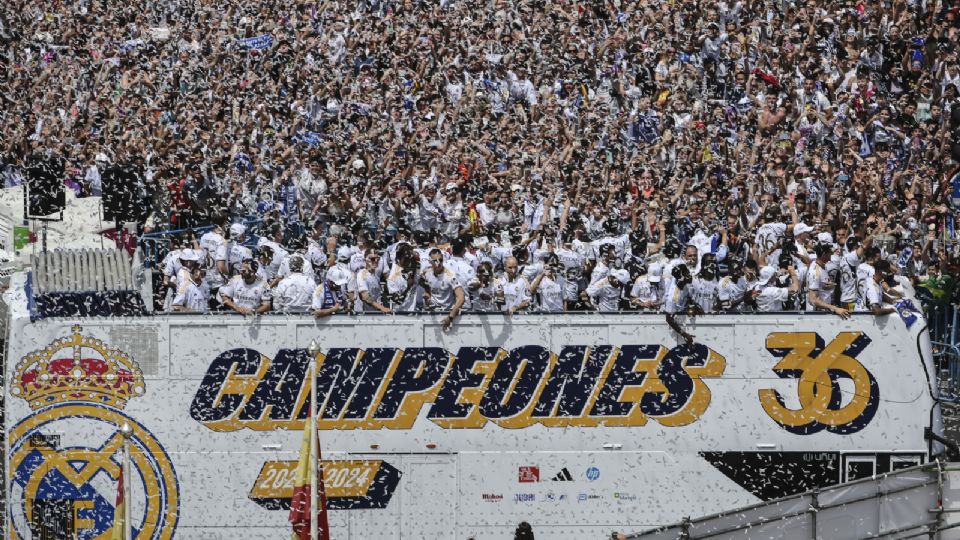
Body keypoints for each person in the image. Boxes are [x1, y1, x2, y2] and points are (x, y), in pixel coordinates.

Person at [421, 248, 465, 330]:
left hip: (447, 314)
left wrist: (451, 316)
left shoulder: (450, 275)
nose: (438, 263)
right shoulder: (426, 273)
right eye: (435, 261)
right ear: (430, 262)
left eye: (440, 260)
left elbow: (461, 297)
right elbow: (428, 292)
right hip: (431, 315)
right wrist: (427, 298)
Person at [807, 243, 849, 319]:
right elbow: (812, 299)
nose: (830, 257)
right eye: (829, 254)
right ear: (823, 254)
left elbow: (821, 288)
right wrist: (834, 308)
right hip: (817, 315)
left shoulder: (823, 266)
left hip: (825, 312)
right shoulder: (815, 272)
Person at [664, 264, 698, 345]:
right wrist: (684, 334)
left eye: (688, 272)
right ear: (681, 278)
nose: (690, 276)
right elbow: (669, 319)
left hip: (683, 320)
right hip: (675, 330)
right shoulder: (673, 297)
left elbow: (688, 297)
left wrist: (693, 305)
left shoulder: (684, 283)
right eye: (687, 274)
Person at [357, 250, 392, 314]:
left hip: (375, 312)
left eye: (377, 259)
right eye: (372, 258)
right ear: (365, 260)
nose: (376, 261)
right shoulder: (362, 274)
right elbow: (365, 297)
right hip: (365, 314)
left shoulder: (375, 273)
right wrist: (382, 308)